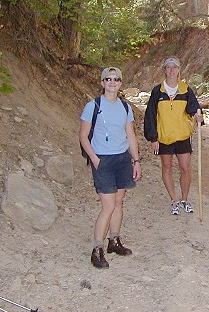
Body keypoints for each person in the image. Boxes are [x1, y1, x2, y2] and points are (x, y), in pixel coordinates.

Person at [79, 67, 142, 269]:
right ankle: (97, 249)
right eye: (108, 79)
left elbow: (130, 134)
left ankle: (114, 241)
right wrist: (94, 159)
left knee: (119, 201)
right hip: (103, 160)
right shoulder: (93, 106)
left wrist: (136, 160)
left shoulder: (125, 107)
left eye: (116, 79)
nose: (112, 82)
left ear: (121, 83)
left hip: (122, 158)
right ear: (102, 82)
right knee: (108, 206)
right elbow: (83, 135)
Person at [144, 57, 203, 215]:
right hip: (164, 137)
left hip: (182, 136)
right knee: (167, 168)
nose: (171, 70)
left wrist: (198, 117)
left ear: (179, 69)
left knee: (185, 168)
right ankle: (174, 200)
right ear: (164, 70)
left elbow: (194, 110)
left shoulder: (185, 89)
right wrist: (153, 138)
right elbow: (150, 115)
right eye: (168, 67)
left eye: (174, 67)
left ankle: (184, 199)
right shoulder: (158, 91)